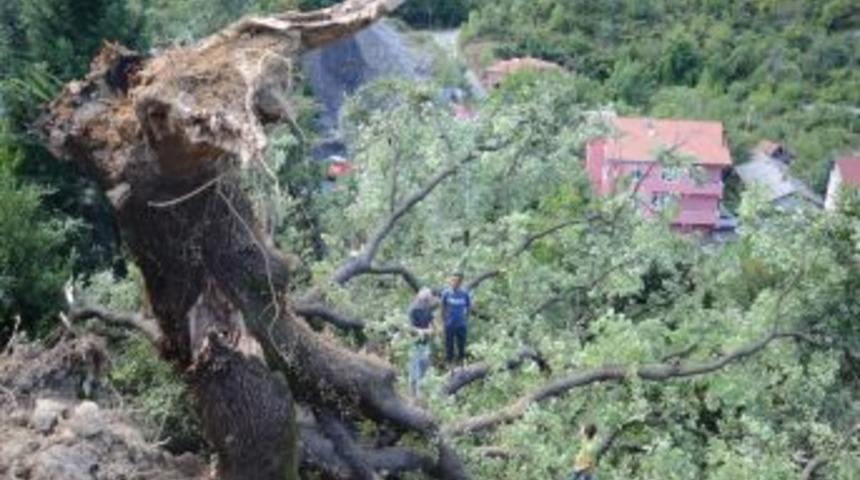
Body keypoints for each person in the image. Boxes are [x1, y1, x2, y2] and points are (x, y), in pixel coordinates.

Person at [407, 287, 436, 398]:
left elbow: (434, 326)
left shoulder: (427, 309)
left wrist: (432, 331)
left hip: (425, 344)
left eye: (428, 300)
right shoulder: (413, 310)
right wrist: (423, 331)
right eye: (425, 300)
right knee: (415, 372)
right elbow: (409, 328)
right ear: (420, 299)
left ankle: (420, 397)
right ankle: (414, 397)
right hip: (414, 344)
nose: (427, 302)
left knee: (424, 370)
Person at [441, 273, 471, 365]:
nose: (454, 282)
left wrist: (466, 319)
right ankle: (449, 364)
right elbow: (442, 307)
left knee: (461, 344)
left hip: (461, 324)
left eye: (456, 281)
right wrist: (444, 321)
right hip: (449, 324)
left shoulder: (464, 294)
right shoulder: (446, 293)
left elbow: (468, 307)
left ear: (461, 282)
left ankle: (461, 363)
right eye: (452, 280)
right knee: (449, 345)